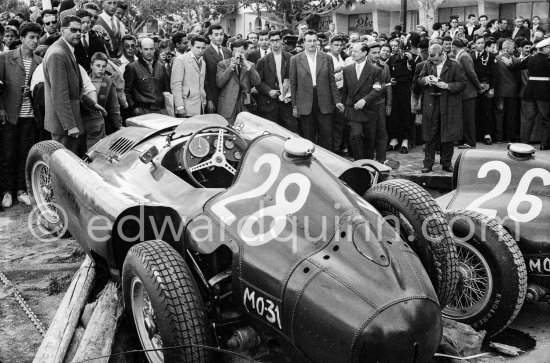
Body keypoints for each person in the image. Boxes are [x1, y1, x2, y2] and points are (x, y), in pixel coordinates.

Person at [0, 21, 42, 208]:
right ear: (22, 38)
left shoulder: (39, 61)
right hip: (10, 115)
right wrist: (1, 109)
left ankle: (21, 190)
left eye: (37, 37)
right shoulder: (6, 58)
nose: (35, 41)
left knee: (26, 152)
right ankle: (7, 191)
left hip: (30, 116)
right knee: (8, 154)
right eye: (31, 37)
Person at [290, 30, 344, 151]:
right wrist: (294, 105)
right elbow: (294, 85)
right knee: (308, 136)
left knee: (326, 135)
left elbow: (332, 81)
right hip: (305, 102)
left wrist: (337, 101)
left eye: (315, 41)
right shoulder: (295, 59)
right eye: (309, 41)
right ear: (304, 42)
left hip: (324, 100)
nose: (312, 43)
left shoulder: (326, 58)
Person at [417, 44, 466, 173]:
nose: (433, 61)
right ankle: (428, 164)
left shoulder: (455, 65)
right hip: (431, 103)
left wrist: (447, 85)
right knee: (430, 134)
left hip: (448, 104)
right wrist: (427, 79)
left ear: (442, 53)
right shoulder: (428, 64)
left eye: (436, 59)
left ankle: (446, 163)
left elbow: (462, 83)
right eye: (431, 59)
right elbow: (419, 80)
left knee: (447, 135)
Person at [43, 15, 85, 153]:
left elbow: (74, 88)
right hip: (64, 127)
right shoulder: (58, 53)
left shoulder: (66, 49)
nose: (78, 33)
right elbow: (59, 94)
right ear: (62, 30)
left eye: (80, 30)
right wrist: (70, 126)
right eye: (73, 30)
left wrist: (93, 104)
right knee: (63, 170)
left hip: (68, 123)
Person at [505, 38, 550, 149]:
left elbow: (515, 67)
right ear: (544, 48)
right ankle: (544, 144)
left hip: (529, 91)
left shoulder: (530, 59)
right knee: (546, 118)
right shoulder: (548, 60)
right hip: (545, 92)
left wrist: (509, 64)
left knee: (527, 118)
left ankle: (524, 143)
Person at [341, 43, 384, 160]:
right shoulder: (347, 69)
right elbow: (345, 91)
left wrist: (365, 100)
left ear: (364, 53)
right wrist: (343, 106)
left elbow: (377, 90)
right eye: (352, 51)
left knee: (369, 140)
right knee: (356, 135)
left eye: (355, 51)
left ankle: (368, 164)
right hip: (353, 110)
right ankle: (359, 161)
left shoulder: (375, 70)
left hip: (369, 110)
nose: (352, 54)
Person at [256, 30, 297, 132]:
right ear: (269, 42)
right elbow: (258, 82)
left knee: (290, 130)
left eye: (277, 40)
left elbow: (295, 78)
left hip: (287, 103)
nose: (275, 43)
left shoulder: (290, 58)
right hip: (269, 103)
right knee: (272, 132)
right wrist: (269, 91)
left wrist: (290, 93)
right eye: (272, 40)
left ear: (282, 41)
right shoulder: (262, 61)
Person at [216, 39, 260, 125]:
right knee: (228, 130)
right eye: (236, 52)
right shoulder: (223, 64)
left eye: (241, 52)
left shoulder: (250, 65)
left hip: (245, 103)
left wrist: (246, 64)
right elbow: (219, 83)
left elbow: (257, 82)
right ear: (232, 52)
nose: (239, 55)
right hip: (228, 104)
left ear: (245, 51)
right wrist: (231, 67)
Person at [124, 37, 170, 115]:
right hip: (143, 110)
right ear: (140, 50)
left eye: (151, 49)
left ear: (154, 49)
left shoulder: (161, 66)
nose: (149, 52)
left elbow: (166, 89)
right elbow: (127, 91)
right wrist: (134, 108)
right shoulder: (132, 67)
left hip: (161, 109)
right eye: (146, 49)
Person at [85, 51, 120, 147]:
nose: (101, 69)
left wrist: (118, 125)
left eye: (103, 66)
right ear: (91, 66)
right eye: (98, 66)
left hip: (100, 123)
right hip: (84, 122)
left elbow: (114, 106)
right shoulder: (84, 80)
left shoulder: (108, 81)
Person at [452, 39, 483, 149]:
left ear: (454, 46)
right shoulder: (462, 55)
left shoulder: (463, 56)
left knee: (468, 118)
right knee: (464, 117)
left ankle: (470, 142)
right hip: (465, 92)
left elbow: (471, 73)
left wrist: (479, 87)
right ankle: (464, 139)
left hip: (468, 92)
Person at [171, 35, 207, 117]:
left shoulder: (203, 62)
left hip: (200, 105)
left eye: (203, 48)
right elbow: (176, 85)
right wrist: (179, 106)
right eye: (198, 47)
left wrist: (204, 100)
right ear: (191, 46)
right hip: (186, 105)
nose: (200, 50)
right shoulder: (180, 60)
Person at [367, 42, 391, 163]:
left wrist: (389, 104)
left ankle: (381, 160)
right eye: (374, 53)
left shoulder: (384, 66)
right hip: (367, 104)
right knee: (369, 134)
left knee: (382, 133)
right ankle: (368, 161)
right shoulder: (363, 65)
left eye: (378, 52)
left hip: (380, 103)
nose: (377, 55)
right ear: (367, 53)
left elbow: (389, 86)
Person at [472, 37, 497, 145]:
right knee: (475, 112)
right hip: (474, 88)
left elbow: (495, 75)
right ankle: (477, 134)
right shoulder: (470, 56)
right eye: (478, 43)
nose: (480, 45)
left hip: (486, 87)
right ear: (474, 44)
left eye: (482, 43)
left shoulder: (490, 57)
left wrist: (492, 89)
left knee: (487, 112)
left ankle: (487, 134)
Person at [494, 39, 519, 142]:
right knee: (511, 115)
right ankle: (509, 137)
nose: (514, 49)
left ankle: (499, 137)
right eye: (513, 47)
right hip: (512, 92)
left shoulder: (496, 59)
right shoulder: (516, 60)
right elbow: (518, 78)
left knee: (499, 115)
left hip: (500, 91)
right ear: (509, 48)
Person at [203, 24, 232, 114]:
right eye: (216, 35)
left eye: (221, 34)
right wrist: (209, 99)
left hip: (228, 95)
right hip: (214, 96)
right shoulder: (205, 53)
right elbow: (205, 79)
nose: (220, 37)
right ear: (210, 36)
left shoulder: (228, 51)